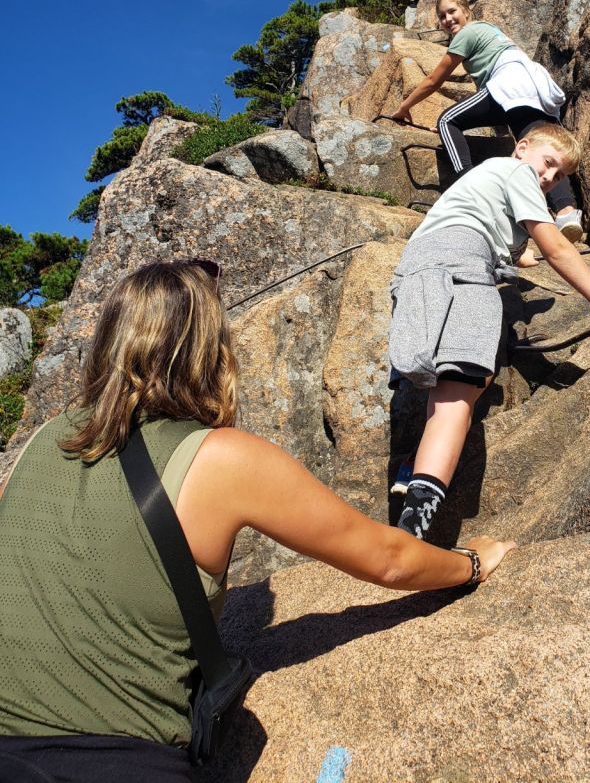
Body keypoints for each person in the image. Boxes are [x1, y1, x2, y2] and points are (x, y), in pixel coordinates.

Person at [0, 260, 515, 783]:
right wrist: (470, 563)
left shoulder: (38, 445)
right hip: (117, 764)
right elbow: (388, 559)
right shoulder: (222, 459)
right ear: (210, 349)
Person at [389, 123, 590, 539]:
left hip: (421, 271)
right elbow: (557, 247)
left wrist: (518, 259)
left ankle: (416, 467)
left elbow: (508, 242)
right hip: (460, 267)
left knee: (458, 381)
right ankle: (412, 531)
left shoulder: (488, 181)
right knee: (461, 388)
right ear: (522, 149)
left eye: (560, 176)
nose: (549, 177)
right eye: (548, 163)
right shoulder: (516, 172)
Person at [390, 0, 584, 243]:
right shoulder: (489, 29)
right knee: (545, 151)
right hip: (535, 86)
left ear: (466, 10)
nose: (447, 19)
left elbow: (434, 80)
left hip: (508, 80)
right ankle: (566, 215)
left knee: (448, 121)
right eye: (442, 16)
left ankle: (470, 184)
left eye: (452, 11)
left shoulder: (467, 33)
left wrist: (404, 108)